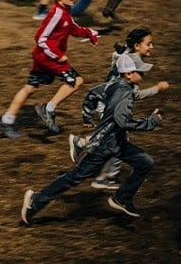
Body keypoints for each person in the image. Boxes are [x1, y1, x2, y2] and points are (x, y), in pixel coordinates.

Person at [21, 53, 163, 224]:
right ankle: (35, 201)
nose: (143, 75)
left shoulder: (116, 85)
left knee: (145, 162)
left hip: (116, 141)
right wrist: (151, 122)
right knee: (74, 177)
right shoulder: (124, 92)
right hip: (105, 144)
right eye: (140, 72)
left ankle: (122, 198)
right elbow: (122, 120)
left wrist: (88, 115)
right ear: (128, 74)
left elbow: (94, 92)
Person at [0, 0, 99, 138]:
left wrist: (89, 33)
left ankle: (7, 120)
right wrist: (57, 55)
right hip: (48, 58)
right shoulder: (56, 13)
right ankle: (48, 108)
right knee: (76, 81)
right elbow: (40, 37)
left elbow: (72, 27)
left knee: (30, 88)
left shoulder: (65, 11)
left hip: (42, 57)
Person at [69, 27, 169, 190]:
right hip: (108, 104)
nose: (152, 47)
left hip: (108, 101)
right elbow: (133, 95)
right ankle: (103, 177)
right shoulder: (131, 65)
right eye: (148, 44)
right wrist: (156, 89)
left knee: (113, 137)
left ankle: (81, 143)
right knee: (120, 139)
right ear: (137, 46)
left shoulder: (129, 59)